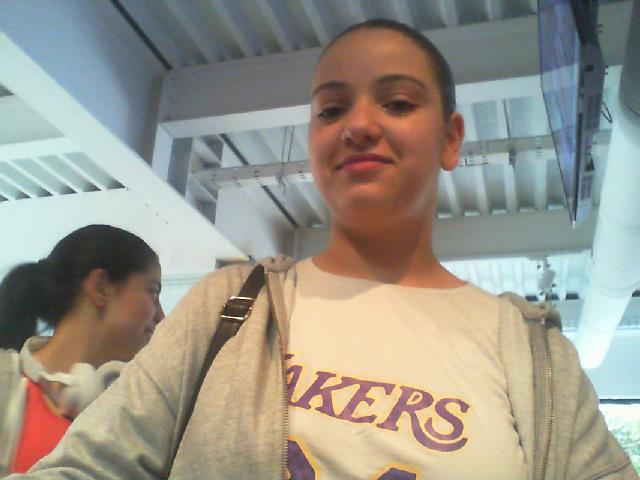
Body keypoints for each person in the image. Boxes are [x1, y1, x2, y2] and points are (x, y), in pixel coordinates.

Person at [7, 19, 637, 480]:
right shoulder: (231, 304)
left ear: (450, 139)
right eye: (331, 109)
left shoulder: (532, 351)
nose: (357, 125)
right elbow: (91, 464)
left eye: (397, 102)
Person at [0, 225, 164, 476]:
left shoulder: (137, 410)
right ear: (101, 288)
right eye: (152, 292)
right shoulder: (5, 384)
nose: (161, 316)